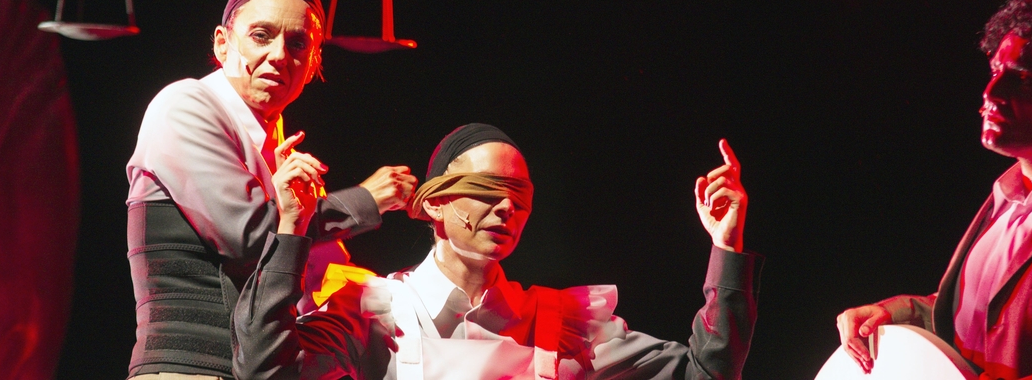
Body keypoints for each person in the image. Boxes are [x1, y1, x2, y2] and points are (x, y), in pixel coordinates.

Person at [233, 123, 763, 379]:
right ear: (435, 205)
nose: (506, 208)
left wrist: (726, 246)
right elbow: (263, 370)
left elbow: (705, 374)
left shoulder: (563, 328)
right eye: (486, 191)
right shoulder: (372, 313)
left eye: (521, 197)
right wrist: (291, 229)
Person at [123, 0, 417, 378]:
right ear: (223, 44)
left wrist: (411, 297)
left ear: (313, 63)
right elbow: (250, 235)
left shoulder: (279, 152)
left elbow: (319, 271)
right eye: (261, 35)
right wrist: (365, 200)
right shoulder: (184, 105)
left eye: (297, 44)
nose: (278, 55)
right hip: (189, 366)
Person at [835, 0, 1032, 380]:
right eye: (994, 72)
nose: (990, 93)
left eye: (1022, 81)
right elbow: (981, 320)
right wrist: (895, 313)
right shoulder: (1005, 197)